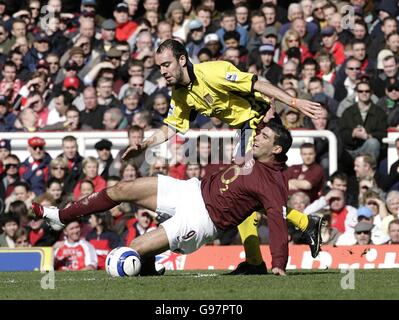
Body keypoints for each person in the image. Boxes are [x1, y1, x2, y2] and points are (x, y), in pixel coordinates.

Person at [125, 39, 323, 273]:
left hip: (259, 125)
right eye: (159, 67)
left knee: (239, 193)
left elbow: (256, 82)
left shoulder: (214, 72)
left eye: (166, 64)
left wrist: (293, 101)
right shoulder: (181, 93)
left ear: (182, 60)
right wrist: (146, 143)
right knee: (244, 196)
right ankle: (297, 229)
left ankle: (258, 260)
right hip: (244, 131)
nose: (162, 71)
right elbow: (172, 126)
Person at [33, 122, 322, 276]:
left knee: (133, 249)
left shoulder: (273, 183)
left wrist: (279, 264)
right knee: (121, 189)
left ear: (278, 148)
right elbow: (256, 121)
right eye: (259, 133)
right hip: (190, 190)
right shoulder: (256, 153)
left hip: (201, 220)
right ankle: (61, 216)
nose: (257, 137)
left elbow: (276, 221)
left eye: (265, 136)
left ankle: (148, 266)